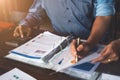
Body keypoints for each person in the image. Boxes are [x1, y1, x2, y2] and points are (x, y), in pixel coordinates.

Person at [13, 0, 115, 63]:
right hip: (60, 44)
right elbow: (35, 14)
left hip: (95, 44)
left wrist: (90, 43)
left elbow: (104, 15)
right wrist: (26, 24)